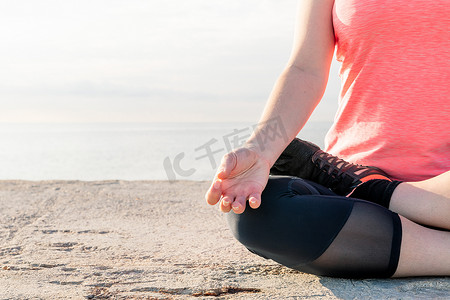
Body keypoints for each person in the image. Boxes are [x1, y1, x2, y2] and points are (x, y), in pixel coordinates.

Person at [205, 0, 450, 278]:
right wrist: (260, 150)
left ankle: (370, 189)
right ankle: (368, 190)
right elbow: (305, 69)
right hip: (355, 208)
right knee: (255, 211)